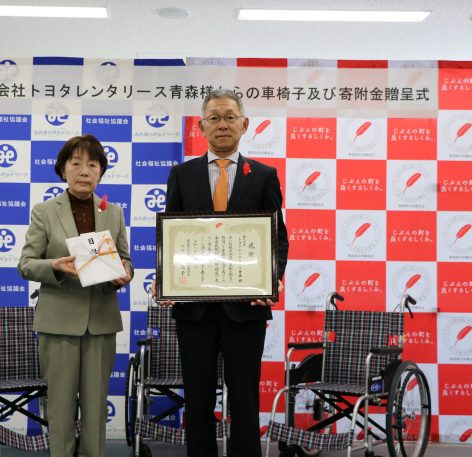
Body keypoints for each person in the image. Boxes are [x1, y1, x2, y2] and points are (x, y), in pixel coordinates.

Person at [157, 89, 288, 457]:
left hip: (246, 306)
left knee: (245, 399)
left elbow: (277, 237)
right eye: (214, 118)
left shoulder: (263, 176)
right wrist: (165, 277)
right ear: (201, 127)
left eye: (230, 117)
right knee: (197, 398)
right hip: (194, 309)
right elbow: (172, 235)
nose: (222, 124)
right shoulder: (182, 175)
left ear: (244, 125)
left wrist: (272, 278)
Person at [18, 134, 133, 457]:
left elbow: (125, 259)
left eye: (92, 165)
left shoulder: (114, 212)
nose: (84, 171)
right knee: (60, 404)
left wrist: (124, 273)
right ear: (63, 169)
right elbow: (26, 264)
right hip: (59, 322)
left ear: (101, 172)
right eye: (76, 163)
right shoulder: (44, 211)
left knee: (96, 405)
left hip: (101, 321)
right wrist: (54, 266)